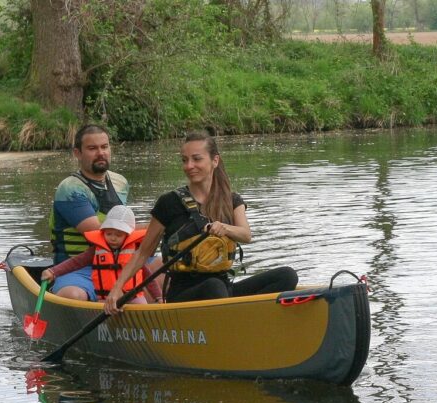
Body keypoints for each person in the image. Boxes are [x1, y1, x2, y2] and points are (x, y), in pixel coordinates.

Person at [104, 131, 298, 315]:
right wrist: (116, 289)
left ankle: (246, 319)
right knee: (214, 286)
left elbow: (245, 235)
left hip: (223, 289)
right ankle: (238, 321)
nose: (189, 166)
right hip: (184, 295)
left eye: (197, 159)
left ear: (215, 161)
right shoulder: (168, 203)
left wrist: (224, 227)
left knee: (287, 275)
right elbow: (143, 253)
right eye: (185, 160)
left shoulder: (231, 200)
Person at [49, 124, 129, 301]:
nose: (101, 153)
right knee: (73, 295)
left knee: (161, 265)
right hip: (77, 268)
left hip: (117, 263)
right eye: (92, 148)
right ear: (77, 153)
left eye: (104, 147)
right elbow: (100, 234)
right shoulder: (69, 189)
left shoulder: (120, 182)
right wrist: (155, 227)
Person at [41, 205, 163, 304]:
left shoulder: (134, 252)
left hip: (133, 298)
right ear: (103, 231)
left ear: (128, 235)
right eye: (109, 234)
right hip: (106, 299)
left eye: (118, 235)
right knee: (103, 309)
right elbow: (75, 263)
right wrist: (53, 272)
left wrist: (158, 297)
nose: (113, 238)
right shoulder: (97, 250)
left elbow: (148, 276)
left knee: (142, 306)